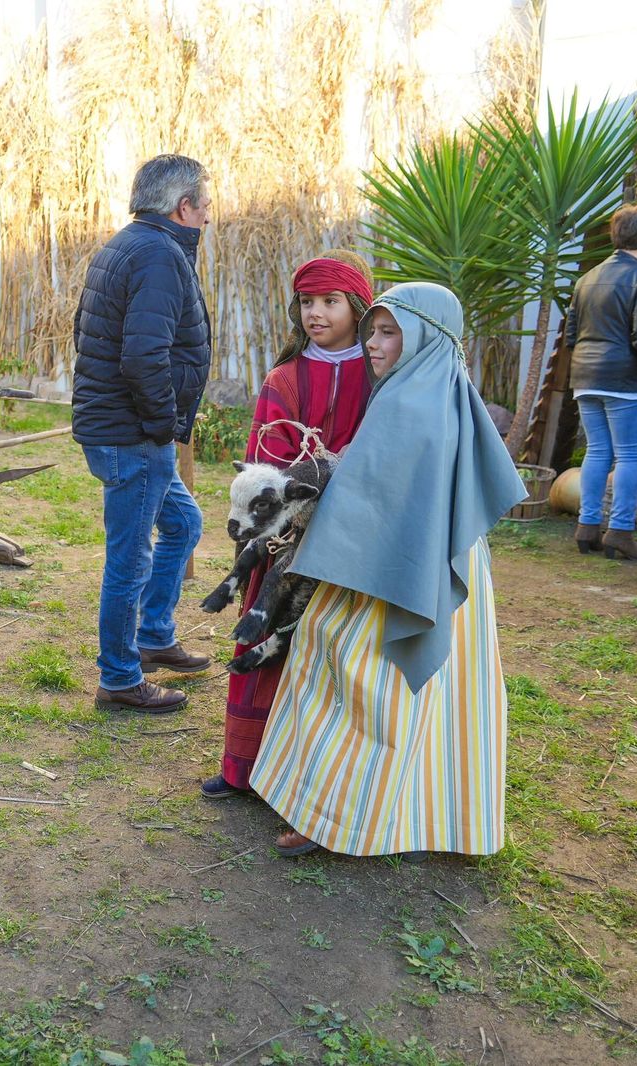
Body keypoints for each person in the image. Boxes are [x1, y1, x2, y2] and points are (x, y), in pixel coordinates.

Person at [249, 283, 526, 859]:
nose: (372, 344)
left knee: (351, 672)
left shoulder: (407, 403)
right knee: (445, 690)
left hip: (389, 568)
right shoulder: (445, 389)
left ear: (424, 335)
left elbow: (374, 499)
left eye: (387, 332)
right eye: (373, 330)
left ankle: (335, 818)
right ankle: (432, 816)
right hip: (438, 557)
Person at [204, 252, 374, 800]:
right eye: (307, 302)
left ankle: (317, 782)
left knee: (331, 651)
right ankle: (246, 769)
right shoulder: (284, 378)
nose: (316, 313)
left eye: (330, 302)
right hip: (286, 541)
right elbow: (264, 466)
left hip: (354, 542)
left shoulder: (382, 377)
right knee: (266, 635)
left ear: (358, 307)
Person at [72, 154, 212, 714]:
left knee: (183, 523)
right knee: (129, 558)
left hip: (125, 429)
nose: (207, 218)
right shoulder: (157, 254)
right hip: (132, 434)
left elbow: (86, 331)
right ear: (183, 207)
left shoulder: (129, 244)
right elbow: (142, 355)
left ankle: (154, 635)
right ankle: (120, 677)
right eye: (204, 208)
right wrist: (162, 427)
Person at [564, 203, 637, 561]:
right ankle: (621, 532)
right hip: (627, 378)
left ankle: (587, 527)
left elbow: (570, 335)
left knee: (597, 451)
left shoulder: (586, 278)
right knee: (630, 457)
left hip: (585, 376)